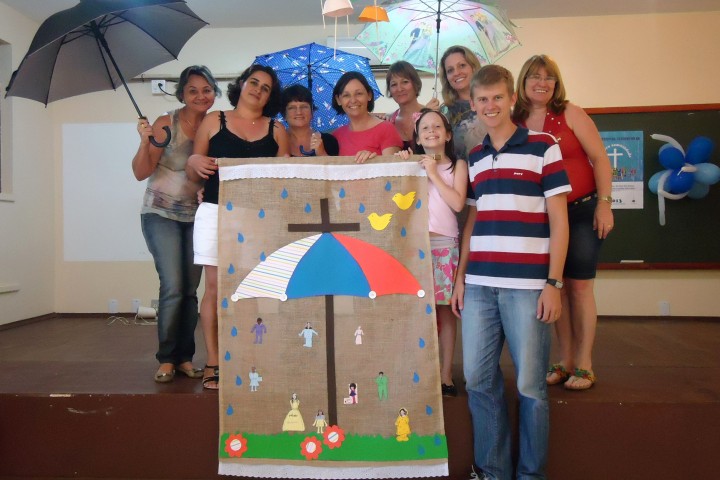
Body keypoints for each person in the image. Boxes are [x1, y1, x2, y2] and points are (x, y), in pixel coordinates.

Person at [451, 65, 570, 480]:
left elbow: (560, 221)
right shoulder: (476, 156)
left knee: (530, 388)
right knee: (479, 383)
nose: (490, 105)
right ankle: (491, 471)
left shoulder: (544, 146)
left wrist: (553, 284)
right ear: (473, 104)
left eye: (497, 97)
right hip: (480, 286)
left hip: (528, 288)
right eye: (482, 99)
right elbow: (472, 223)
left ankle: (531, 475)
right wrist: (461, 278)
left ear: (511, 100)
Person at [512, 54, 614, 390]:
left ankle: (584, 364)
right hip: (542, 218)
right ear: (523, 83)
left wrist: (604, 204)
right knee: (556, 287)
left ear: (556, 83)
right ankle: (565, 359)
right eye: (534, 77)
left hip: (582, 211)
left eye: (548, 77)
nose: (541, 83)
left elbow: (600, 160)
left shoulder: (571, 113)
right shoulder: (516, 121)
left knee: (580, 287)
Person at [186, 64, 289, 390]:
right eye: (253, 82)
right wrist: (192, 164)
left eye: (266, 87)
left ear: (271, 96)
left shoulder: (277, 130)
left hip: (258, 219)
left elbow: (285, 181)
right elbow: (194, 174)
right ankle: (214, 361)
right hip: (215, 212)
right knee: (215, 290)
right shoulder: (214, 119)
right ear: (242, 84)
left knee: (254, 291)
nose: (258, 89)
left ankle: (249, 355)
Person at [132, 65, 221, 383]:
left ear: (214, 93)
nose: (201, 95)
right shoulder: (165, 123)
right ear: (182, 93)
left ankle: (185, 357)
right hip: (161, 215)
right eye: (193, 90)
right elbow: (141, 172)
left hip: (199, 217)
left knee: (190, 290)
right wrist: (145, 143)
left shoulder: (216, 124)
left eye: (207, 89)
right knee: (172, 285)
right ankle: (167, 358)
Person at [396, 109, 468, 397]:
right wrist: (405, 166)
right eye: (424, 127)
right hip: (415, 247)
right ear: (417, 136)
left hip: (444, 247)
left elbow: (458, 204)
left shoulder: (457, 166)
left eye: (437, 126)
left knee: (445, 313)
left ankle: (445, 375)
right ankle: (419, 372)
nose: (431, 131)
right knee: (417, 312)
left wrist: (434, 173)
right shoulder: (411, 164)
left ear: (448, 134)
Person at [331, 71, 403, 163]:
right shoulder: (336, 135)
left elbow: (393, 172)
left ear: (369, 95)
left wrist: (373, 161)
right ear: (338, 100)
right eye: (346, 95)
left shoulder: (386, 129)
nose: (353, 100)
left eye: (359, 94)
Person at [438, 45, 486, 161]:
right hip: (457, 176)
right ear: (446, 77)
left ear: (473, 68)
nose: (456, 73)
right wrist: (426, 116)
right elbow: (437, 154)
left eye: (462, 66)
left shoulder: (490, 102)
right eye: (450, 70)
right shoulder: (443, 112)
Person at [385, 61, 439, 150]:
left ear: (415, 84)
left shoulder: (431, 114)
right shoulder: (389, 121)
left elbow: (439, 155)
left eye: (405, 82)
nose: (399, 89)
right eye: (394, 84)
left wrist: (426, 115)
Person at [280, 84, 339, 157]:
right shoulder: (275, 143)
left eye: (304, 107)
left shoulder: (329, 141)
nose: (299, 112)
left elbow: (336, 168)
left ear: (312, 112)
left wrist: (322, 153)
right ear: (284, 114)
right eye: (292, 108)